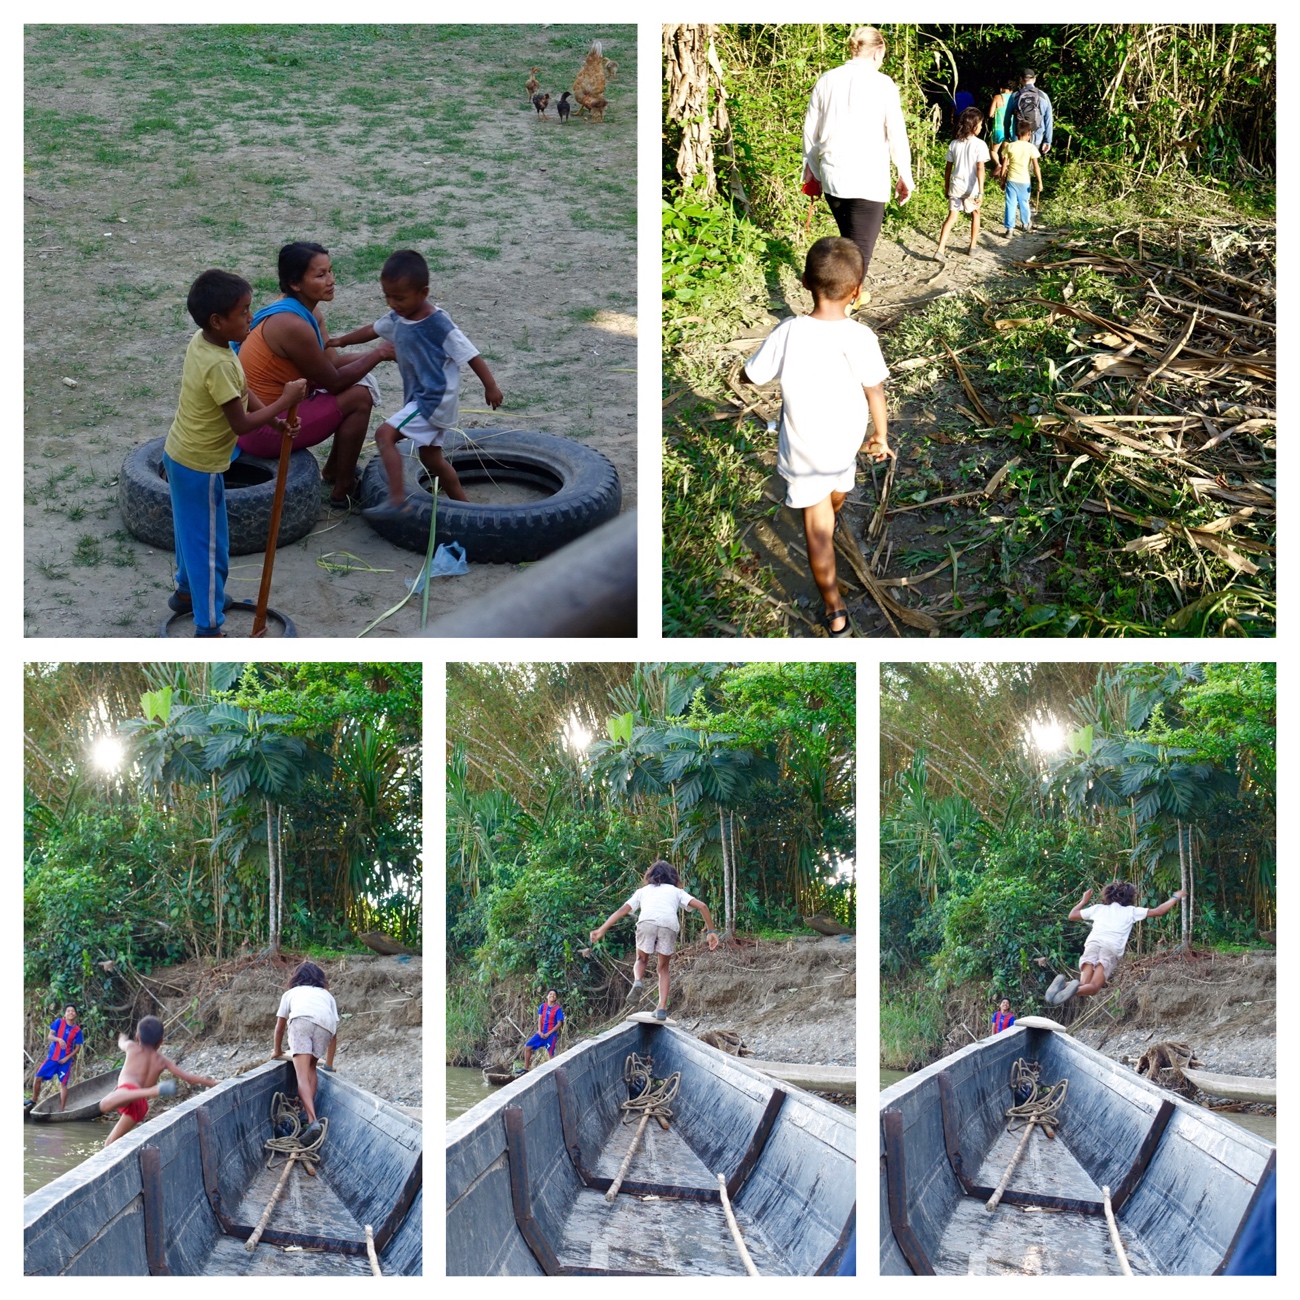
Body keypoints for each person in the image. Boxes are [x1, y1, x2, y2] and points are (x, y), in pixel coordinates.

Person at [742, 236, 892, 637]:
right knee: (837, 492)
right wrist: (881, 435)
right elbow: (875, 390)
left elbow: (753, 375)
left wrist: (743, 373)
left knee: (819, 533)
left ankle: (835, 610)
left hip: (806, 453)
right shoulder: (861, 337)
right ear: (857, 291)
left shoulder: (789, 331)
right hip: (844, 446)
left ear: (805, 281)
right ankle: (832, 507)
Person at [164, 270, 306, 635]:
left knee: (189, 534)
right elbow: (241, 424)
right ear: (218, 321)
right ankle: (208, 626)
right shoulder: (218, 363)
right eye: (243, 311)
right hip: (200, 466)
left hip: (179, 454)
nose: (250, 316)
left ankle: (184, 594)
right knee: (209, 549)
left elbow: (240, 388)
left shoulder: (209, 343)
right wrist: (285, 401)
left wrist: (274, 420)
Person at [326, 249, 503, 521]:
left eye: (399, 297)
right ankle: (469, 508)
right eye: (387, 296)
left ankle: (397, 499)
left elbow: (470, 354)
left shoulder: (438, 323)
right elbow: (373, 329)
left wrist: (490, 386)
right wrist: (342, 341)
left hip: (431, 400)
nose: (392, 303)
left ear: (423, 293)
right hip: (421, 398)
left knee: (385, 434)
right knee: (432, 460)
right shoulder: (399, 315)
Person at [234, 242, 395, 509]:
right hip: (263, 428)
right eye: (320, 275)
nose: (331, 281)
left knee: (357, 384)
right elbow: (333, 382)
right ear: (295, 283)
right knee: (358, 397)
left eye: (331, 271)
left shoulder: (306, 311)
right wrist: (378, 354)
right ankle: (343, 488)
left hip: (272, 412)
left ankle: (334, 472)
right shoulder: (292, 325)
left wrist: (390, 354)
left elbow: (331, 363)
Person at [802, 25, 914, 307]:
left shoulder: (827, 80)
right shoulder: (882, 83)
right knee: (859, 252)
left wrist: (812, 170)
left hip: (833, 177)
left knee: (848, 244)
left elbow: (810, 134)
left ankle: (848, 297)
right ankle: (840, 309)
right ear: (878, 51)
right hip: (867, 178)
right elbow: (896, 134)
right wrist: (904, 174)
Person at [589, 860, 721, 1020]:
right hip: (669, 924)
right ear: (673, 876)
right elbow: (703, 906)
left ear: (650, 876)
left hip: (647, 922)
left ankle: (638, 980)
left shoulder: (642, 891)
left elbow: (622, 910)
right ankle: (661, 1008)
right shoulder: (676, 891)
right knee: (663, 969)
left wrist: (601, 929)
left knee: (641, 959)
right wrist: (711, 931)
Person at [1047, 881, 1187, 1004]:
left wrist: (1084, 901)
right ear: (1129, 897)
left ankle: (1062, 986)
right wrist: (1175, 897)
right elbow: (1159, 911)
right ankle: (1065, 990)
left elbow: (1072, 915)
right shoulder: (1130, 911)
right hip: (1110, 950)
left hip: (1092, 945)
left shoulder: (1098, 908)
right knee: (1094, 987)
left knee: (1083, 983)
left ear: (1108, 895)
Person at [97, 1015, 218, 1146]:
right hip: (140, 1106)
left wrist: (122, 1037)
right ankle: (148, 1091)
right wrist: (212, 1082)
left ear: (137, 1037)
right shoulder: (163, 1060)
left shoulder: (132, 1047)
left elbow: (122, 1043)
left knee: (104, 1104)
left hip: (128, 1091)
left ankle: (151, 1090)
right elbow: (189, 1078)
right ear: (161, 1041)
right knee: (109, 1143)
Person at [271, 960, 339, 1146]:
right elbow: (334, 1035)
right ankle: (305, 1116)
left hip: (301, 1021)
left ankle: (312, 1121)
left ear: (296, 978)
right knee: (311, 1069)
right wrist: (329, 1065)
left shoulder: (290, 993)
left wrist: (277, 1051)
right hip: (326, 1025)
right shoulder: (327, 995)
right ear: (319, 978)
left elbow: (279, 1027)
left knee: (301, 1076)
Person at [935, 107, 990, 260]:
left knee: (952, 216)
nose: (981, 127)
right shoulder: (980, 145)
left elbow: (948, 168)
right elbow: (980, 168)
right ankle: (972, 247)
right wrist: (981, 191)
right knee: (975, 213)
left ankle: (940, 250)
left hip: (956, 186)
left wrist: (947, 187)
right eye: (980, 124)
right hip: (972, 187)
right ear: (974, 126)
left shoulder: (954, 143)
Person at [28, 1004, 84, 1111]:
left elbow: (77, 1048)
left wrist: (67, 1058)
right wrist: (59, 1039)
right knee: (38, 1077)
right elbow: (50, 1036)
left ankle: (61, 1109)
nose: (70, 1012)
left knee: (63, 1084)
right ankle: (34, 1099)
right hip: (52, 1058)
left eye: (73, 1011)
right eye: (68, 1011)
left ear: (75, 1014)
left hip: (65, 1062)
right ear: (65, 1014)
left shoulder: (77, 1030)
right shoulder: (59, 1022)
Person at [997, 121, 1042, 237]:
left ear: (1016, 133)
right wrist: (1040, 182)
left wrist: (1002, 180)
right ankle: (1026, 224)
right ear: (1029, 133)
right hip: (1025, 181)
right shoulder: (1031, 148)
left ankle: (1009, 229)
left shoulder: (1010, 146)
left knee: (1010, 204)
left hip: (1011, 180)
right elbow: (1036, 167)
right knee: (1024, 203)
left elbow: (1004, 166)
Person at [1005, 68, 1053, 156]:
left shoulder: (1015, 96)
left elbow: (1007, 118)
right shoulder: (1043, 96)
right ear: (1034, 79)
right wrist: (1047, 140)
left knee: (1017, 164)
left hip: (1018, 137)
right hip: (1036, 136)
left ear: (1020, 79)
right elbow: (1049, 121)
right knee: (1031, 163)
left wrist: (1007, 136)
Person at [522, 990, 564, 1070]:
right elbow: (540, 1019)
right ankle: (526, 1068)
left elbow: (559, 1024)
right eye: (550, 994)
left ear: (556, 997)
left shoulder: (557, 1009)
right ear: (547, 996)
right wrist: (539, 1031)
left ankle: (553, 1072)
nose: (552, 995)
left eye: (554, 994)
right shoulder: (543, 1006)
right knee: (527, 1047)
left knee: (550, 1054)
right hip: (541, 1034)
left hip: (551, 1035)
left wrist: (548, 1034)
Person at [988, 77, 1016, 166]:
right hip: (1010, 129)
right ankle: (1005, 169)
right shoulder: (1014, 98)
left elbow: (990, 114)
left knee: (993, 150)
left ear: (1002, 88)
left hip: (998, 128)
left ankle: (998, 165)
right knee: (1005, 152)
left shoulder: (997, 97)